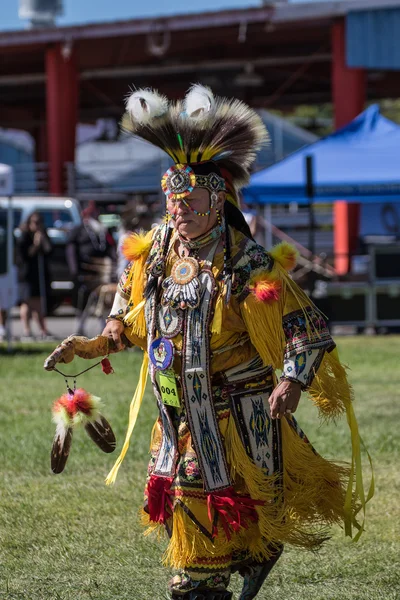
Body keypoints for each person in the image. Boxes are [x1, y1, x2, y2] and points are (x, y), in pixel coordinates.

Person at [50, 86, 371, 600]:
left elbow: (306, 328)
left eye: (189, 201)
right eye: (172, 200)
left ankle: (200, 584)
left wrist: (291, 379)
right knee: (193, 496)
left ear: (215, 200)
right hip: (174, 411)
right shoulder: (152, 252)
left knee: (197, 496)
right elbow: (128, 323)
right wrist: (88, 345)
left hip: (232, 412)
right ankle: (246, 557)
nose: (177, 210)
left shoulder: (246, 264)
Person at [66, 200, 116, 335]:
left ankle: (104, 328)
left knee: (102, 300)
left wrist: (113, 264)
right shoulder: (78, 230)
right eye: (92, 213)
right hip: (85, 271)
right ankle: (80, 327)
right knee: (84, 301)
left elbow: (111, 248)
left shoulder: (103, 230)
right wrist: (74, 270)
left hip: (102, 271)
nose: (95, 216)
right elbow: (71, 250)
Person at [17, 211, 53, 340]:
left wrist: (42, 241)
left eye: (40, 223)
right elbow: (25, 256)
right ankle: (27, 331)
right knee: (27, 303)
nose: (38, 225)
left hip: (39, 275)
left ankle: (43, 330)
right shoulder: (24, 237)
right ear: (29, 223)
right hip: (26, 275)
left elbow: (49, 251)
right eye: (35, 223)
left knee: (39, 302)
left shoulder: (43, 235)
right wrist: (36, 245)